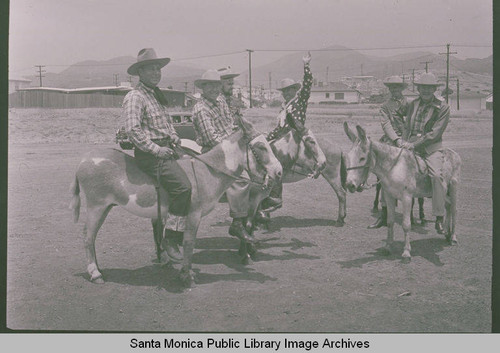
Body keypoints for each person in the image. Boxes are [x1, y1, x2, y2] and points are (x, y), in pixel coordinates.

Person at [123, 48, 192, 263]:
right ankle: (171, 239)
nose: (156, 72)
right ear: (140, 72)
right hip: (150, 155)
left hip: (167, 149)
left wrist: (174, 138)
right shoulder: (135, 97)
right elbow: (133, 131)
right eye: (150, 69)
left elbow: (167, 124)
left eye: (157, 68)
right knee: (184, 188)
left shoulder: (155, 95)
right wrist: (157, 149)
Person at [191, 69, 255, 243]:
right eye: (209, 86)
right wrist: (234, 148)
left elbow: (229, 126)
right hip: (213, 152)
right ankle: (238, 221)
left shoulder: (220, 102)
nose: (213, 89)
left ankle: (262, 206)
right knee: (242, 178)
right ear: (203, 88)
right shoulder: (201, 109)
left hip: (228, 148)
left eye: (216, 85)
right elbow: (211, 138)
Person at [399, 72, 450, 234]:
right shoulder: (413, 104)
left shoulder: (443, 107)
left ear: (434, 89)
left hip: (431, 147)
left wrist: (413, 145)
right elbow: (407, 126)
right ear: (418, 89)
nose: (426, 91)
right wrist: (403, 142)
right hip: (410, 144)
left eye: (429, 88)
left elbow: (434, 134)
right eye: (423, 88)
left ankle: (439, 216)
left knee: (436, 176)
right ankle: (389, 212)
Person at [261, 52, 313, 212]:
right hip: (281, 139)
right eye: (284, 91)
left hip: (294, 139)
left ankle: (276, 198)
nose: (287, 93)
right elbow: (278, 128)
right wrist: (265, 137)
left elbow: (308, 85)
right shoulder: (283, 107)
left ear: (295, 90)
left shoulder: (300, 101)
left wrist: (306, 66)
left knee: (275, 163)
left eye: (289, 90)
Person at [368, 76, 408, 229]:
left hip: (408, 140)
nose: (394, 90)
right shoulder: (385, 107)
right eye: (392, 87)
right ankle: (384, 214)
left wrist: (406, 139)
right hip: (391, 140)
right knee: (383, 176)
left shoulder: (410, 105)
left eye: (397, 87)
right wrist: (396, 140)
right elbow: (386, 124)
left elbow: (412, 122)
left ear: (402, 89)